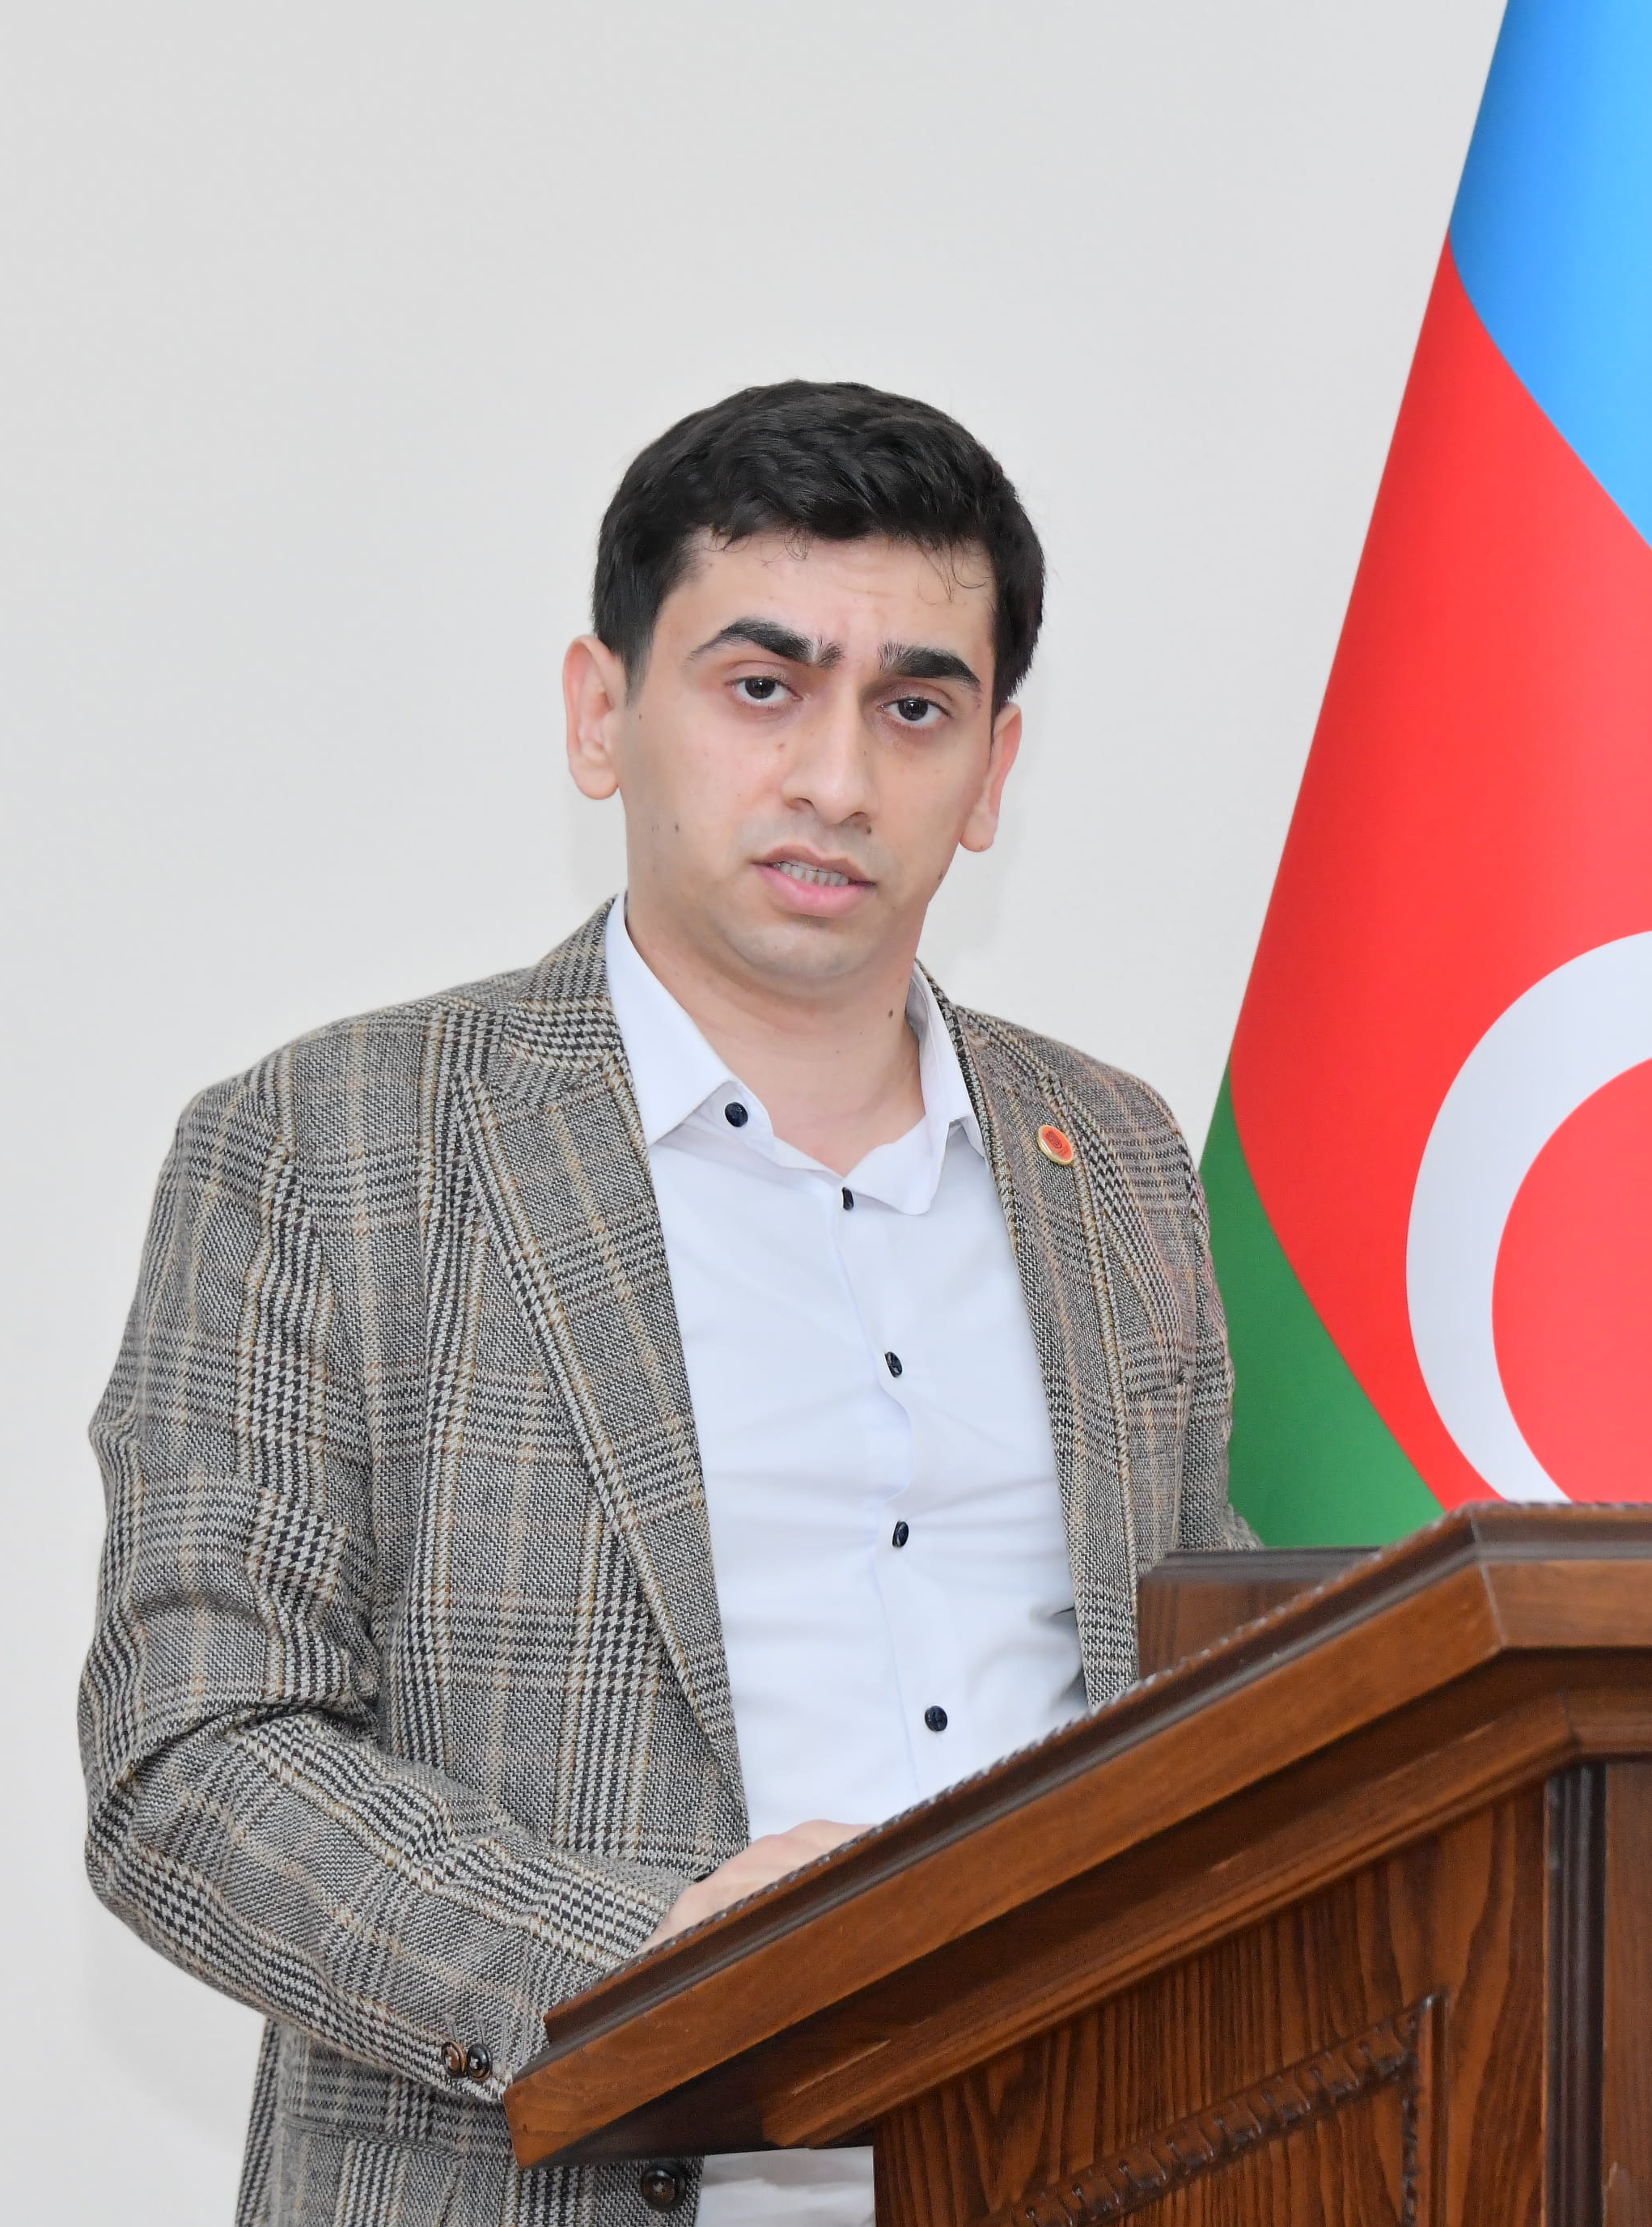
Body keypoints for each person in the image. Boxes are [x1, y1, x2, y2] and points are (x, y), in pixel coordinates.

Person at [79, 381, 1248, 2227]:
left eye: (916, 707)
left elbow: (1199, 1681)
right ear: (600, 711)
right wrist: (667, 1965)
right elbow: (195, 1758)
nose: (838, 780)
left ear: (994, 770)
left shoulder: (1112, 1157)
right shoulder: (330, 1143)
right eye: (762, 685)